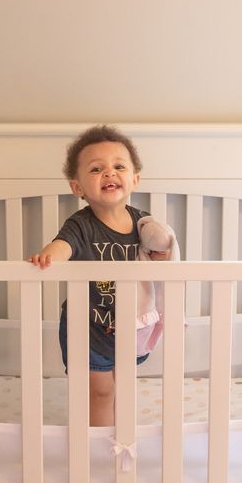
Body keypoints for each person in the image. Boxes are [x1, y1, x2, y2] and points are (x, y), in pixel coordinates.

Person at [29, 124, 171, 425]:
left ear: (134, 179)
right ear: (77, 187)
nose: (109, 173)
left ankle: (122, 440)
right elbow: (62, 245)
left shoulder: (143, 223)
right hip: (88, 329)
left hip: (129, 327)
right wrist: (48, 256)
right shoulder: (81, 225)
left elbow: (159, 253)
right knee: (101, 392)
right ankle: (98, 451)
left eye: (119, 166)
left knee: (123, 387)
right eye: (96, 169)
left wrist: (164, 254)